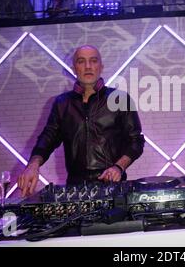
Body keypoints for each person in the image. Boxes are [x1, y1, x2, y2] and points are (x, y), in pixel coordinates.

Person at [18, 45, 145, 196]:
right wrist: (33, 165)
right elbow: (48, 139)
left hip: (114, 188)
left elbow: (136, 141)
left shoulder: (120, 99)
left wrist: (118, 167)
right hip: (75, 190)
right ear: (74, 68)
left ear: (101, 67)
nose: (88, 66)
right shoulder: (62, 103)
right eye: (81, 61)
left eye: (93, 61)